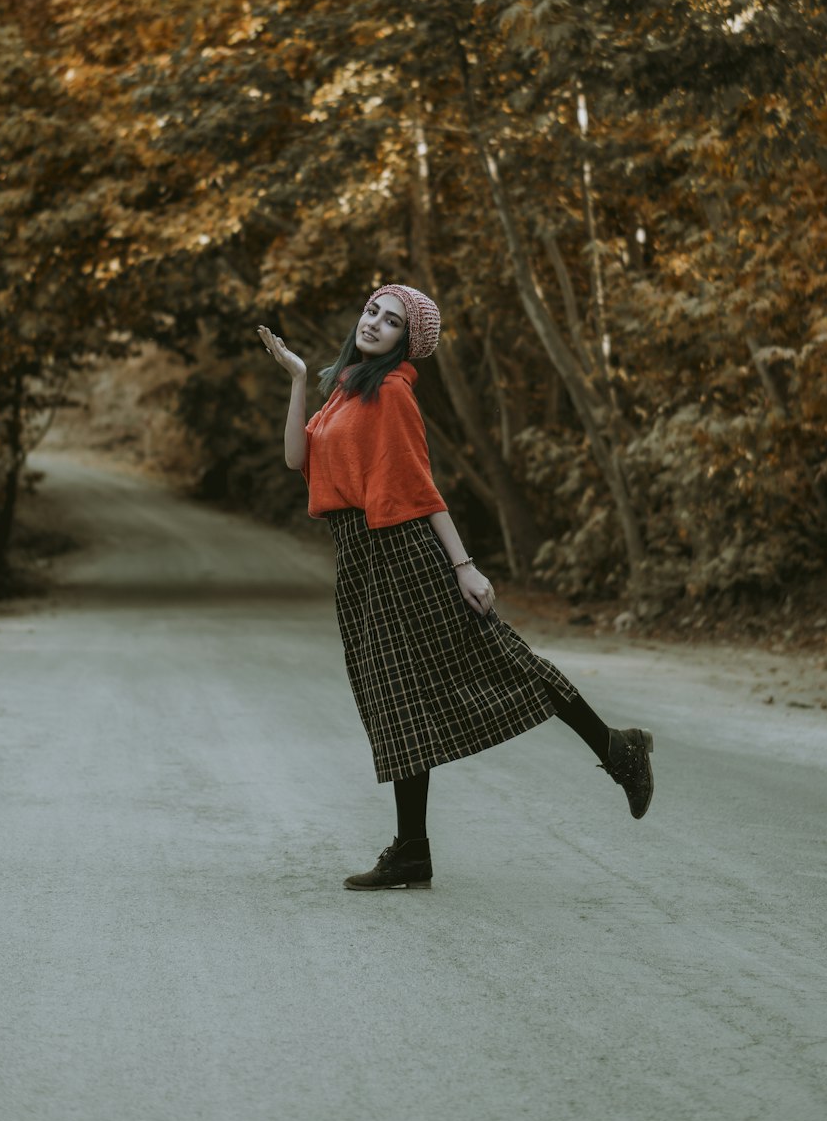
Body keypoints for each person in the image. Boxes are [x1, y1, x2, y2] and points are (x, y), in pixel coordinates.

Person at [258, 283, 654, 891]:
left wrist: (463, 564)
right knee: (396, 700)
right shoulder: (344, 386)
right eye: (371, 311)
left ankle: (619, 750)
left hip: (403, 554)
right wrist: (298, 378)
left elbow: (419, 487)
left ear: (405, 343)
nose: (374, 324)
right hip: (361, 560)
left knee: (496, 662)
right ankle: (413, 851)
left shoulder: (390, 393)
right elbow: (296, 459)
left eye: (390, 322)